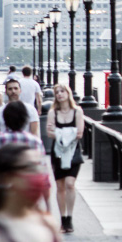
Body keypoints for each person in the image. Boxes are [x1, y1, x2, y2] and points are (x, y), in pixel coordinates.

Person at [0, 101, 47, 203]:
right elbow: (43, 175)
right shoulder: (35, 142)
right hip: (27, 194)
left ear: (5, 120)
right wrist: (47, 207)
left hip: (2, 194)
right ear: (25, 120)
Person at [47, 84, 84, 233]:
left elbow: (80, 133)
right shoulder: (52, 112)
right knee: (60, 186)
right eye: (57, 92)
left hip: (73, 151)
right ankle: (63, 220)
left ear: (68, 93)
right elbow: (49, 133)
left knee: (70, 183)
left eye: (62, 91)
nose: (60, 94)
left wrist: (59, 132)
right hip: (58, 152)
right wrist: (69, 132)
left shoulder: (77, 111)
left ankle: (70, 217)